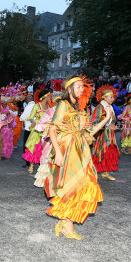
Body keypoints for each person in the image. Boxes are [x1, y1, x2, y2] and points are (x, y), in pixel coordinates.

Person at [45, 75, 112, 240]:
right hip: (67, 149)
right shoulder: (63, 104)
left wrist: (106, 119)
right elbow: (52, 130)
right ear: (70, 89)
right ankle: (67, 224)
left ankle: (64, 222)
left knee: (87, 185)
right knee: (70, 188)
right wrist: (58, 154)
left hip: (81, 150)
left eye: (83, 87)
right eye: (79, 87)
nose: (82, 89)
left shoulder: (80, 108)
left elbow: (87, 132)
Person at [33, 91, 63, 187]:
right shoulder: (50, 111)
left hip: (64, 140)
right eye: (58, 101)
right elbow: (40, 125)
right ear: (54, 102)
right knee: (49, 160)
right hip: (51, 141)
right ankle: (49, 185)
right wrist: (50, 127)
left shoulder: (67, 112)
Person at [91, 85, 120, 181]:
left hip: (110, 134)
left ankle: (105, 172)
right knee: (100, 152)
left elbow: (112, 120)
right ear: (104, 98)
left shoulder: (110, 107)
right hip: (101, 134)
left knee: (108, 152)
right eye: (110, 97)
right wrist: (107, 126)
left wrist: (114, 125)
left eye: (113, 96)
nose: (113, 98)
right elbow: (95, 122)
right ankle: (91, 173)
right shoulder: (100, 107)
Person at [22, 90, 52, 174]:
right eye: (49, 96)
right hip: (38, 128)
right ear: (45, 96)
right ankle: (31, 164)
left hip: (46, 129)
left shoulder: (49, 106)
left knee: (44, 148)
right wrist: (33, 121)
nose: (50, 97)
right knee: (35, 147)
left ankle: (42, 165)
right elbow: (30, 117)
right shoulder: (36, 106)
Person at [19, 95, 35, 168]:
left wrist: (21, 117)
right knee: (34, 146)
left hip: (28, 128)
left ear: (28, 99)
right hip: (35, 129)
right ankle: (33, 161)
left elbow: (22, 117)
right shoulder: (37, 105)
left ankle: (28, 162)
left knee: (27, 146)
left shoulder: (28, 107)